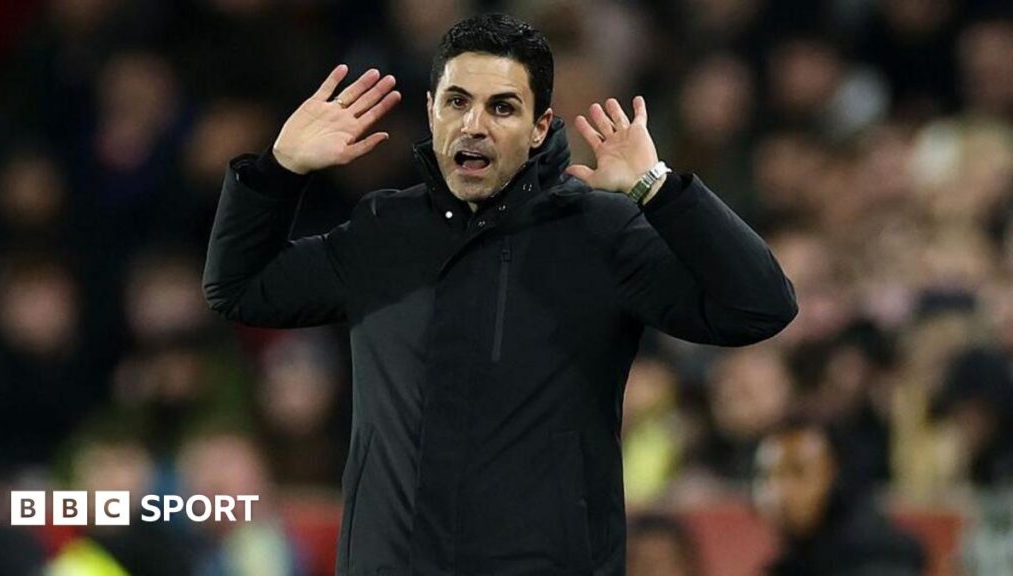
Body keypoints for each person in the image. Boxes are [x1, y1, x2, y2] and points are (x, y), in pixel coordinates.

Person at [203, 13, 797, 576]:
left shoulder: (600, 234)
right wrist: (278, 171)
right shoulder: (382, 231)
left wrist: (657, 188)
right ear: (431, 110)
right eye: (457, 101)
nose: (474, 124)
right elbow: (238, 289)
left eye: (503, 107)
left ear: (540, 126)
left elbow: (760, 305)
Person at [754, 419, 925, 576]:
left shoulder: (877, 553)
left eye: (798, 473)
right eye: (767, 475)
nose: (778, 491)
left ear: (833, 475)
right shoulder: (794, 556)